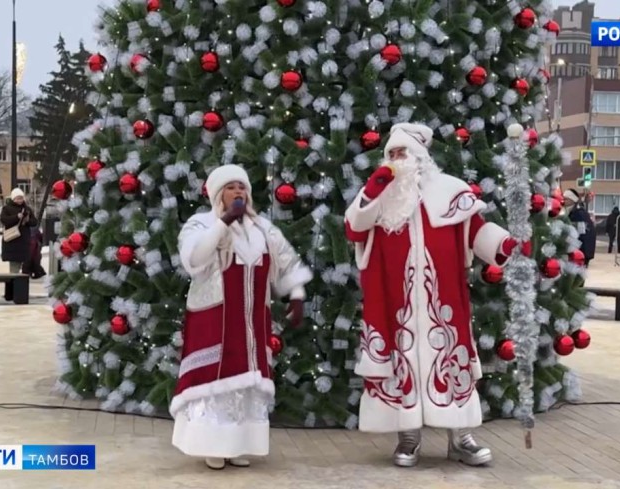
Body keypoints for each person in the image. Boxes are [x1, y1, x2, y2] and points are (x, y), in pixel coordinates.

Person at [343, 123, 530, 468]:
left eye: (404, 153)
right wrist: (375, 187)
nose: (397, 160)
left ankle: (460, 438)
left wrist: (506, 245)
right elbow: (354, 227)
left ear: (421, 158)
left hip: (441, 301)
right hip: (394, 305)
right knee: (403, 366)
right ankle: (408, 437)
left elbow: (476, 230)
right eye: (392, 154)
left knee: (450, 362)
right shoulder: (378, 197)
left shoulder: (450, 190)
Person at [170, 164, 312, 470]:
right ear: (219, 194)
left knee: (246, 384)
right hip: (214, 319)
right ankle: (211, 444)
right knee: (214, 382)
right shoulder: (200, 224)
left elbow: (286, 260)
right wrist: (223, 224)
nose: (239, 192)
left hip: (251, 325)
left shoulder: (262, 229)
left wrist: (297, 295)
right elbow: (193, 258)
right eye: (232, 187)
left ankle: (238, 444)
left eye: (243, 187)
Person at [0, 188, 39, 273]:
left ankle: (20, 283)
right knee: (14, 266)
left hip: (24, 241)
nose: (20, 200)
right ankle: (13, 283)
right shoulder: (7, 208)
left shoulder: (27, 209)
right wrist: (16, 217)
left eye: (21, 198)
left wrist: (27, 220)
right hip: (12, 241)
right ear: (13, 198)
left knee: (24, 264)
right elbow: (4, 220)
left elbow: (34, 222)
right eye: (17, 198)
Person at [562, 189, 596, 268]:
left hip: (581, 253)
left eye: (566, 199)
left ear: (572, 200)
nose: (563, 201)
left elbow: (583, 234)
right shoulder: (570, 212)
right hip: (579, 252)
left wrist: (583, 254)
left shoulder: (579, 214)